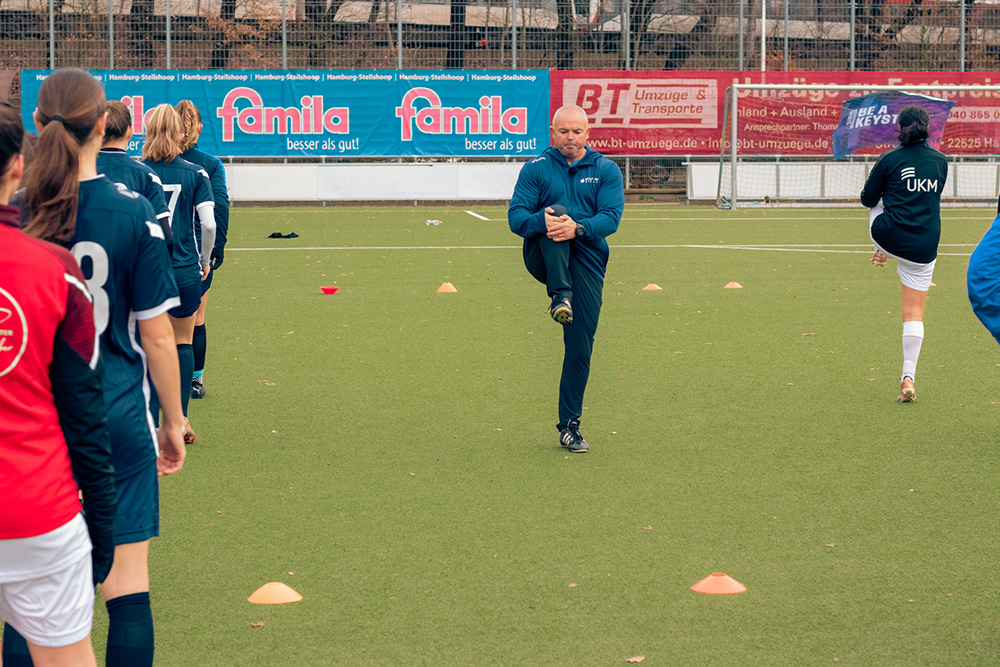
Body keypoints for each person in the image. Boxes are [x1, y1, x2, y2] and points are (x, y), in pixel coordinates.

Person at [22, 67, 186, 667]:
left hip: (33, 424)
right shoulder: (134, 212)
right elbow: (158, 336)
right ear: (104, 127)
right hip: (116, 415)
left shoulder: (19, 211)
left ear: (38, 127)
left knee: (30, 594)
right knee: (126, 585)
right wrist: (172, 420)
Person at [0, 103, 116, 667]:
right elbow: (83, 413)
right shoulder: (55, 269)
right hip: (39, 515)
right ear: (18, 168)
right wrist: (102, 523)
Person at [508, 105, 624, 453]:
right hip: (543, 257)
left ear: (588, 133)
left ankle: (569, 427)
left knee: (579, 348)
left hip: (587, 263)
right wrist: (546, 223)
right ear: (552, 132)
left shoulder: (606, 169)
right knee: (554, 213)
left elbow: (611, 218)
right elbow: (516, 218)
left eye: (576, 132)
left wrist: (580, 228)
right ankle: (560, 295)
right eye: (563, 132)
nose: (570, 138)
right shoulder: (536, 169)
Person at [861, 104, 948, 403]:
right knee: (914, 314)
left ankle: (879, 251)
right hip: (924, 246)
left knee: (878, 204)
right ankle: (908, 376)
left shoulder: (890, 158)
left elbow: (866, 199)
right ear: (927, 129)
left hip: (888, 235)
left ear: (900, 130)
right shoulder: (940, 162)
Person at [141, 103, 216, 443]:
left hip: (147, 271)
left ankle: (149, 422)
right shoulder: (197, 173)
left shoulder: (137, 172)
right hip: (185, 268)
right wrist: (204, 260)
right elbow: (209, 224)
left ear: (146, 133)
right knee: (182, 341)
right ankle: (180, 420)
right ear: (181, 134)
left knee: (146, 344)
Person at [175, 100, 230, 400]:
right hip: (195, 253)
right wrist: (217, 247)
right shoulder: (209, 164)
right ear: (198, 128)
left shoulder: (155, 162)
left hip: (159, 251)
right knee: (196, 318)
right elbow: (219, 206)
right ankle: (195, 381)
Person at [97, 100, 173, 254]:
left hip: (85, 272)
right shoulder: (147, 176)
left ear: (97, 130)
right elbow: (165, 236)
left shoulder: (75, 172)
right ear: (130, 132)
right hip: (131, 270)